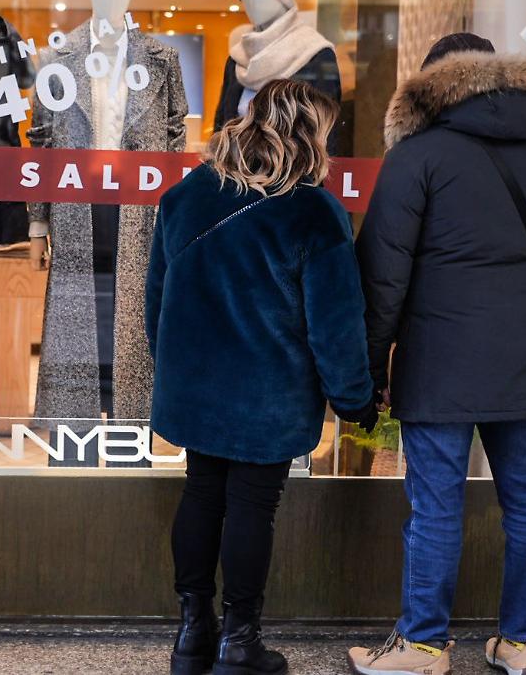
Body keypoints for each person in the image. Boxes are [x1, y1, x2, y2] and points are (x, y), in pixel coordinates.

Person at [347, 34, 526, 675]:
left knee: (436, 503)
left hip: (440, 359)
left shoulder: (418, 156)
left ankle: (423, 647)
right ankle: (522, 643)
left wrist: (368, 366)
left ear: (436, 85)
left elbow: (382, 276)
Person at [147, 79, 377, 675]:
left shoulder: (186, 195)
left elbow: (157, 302)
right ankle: (239, 643)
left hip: (195, 384)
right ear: (309, 132)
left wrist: (172, 366)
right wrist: (354, 399)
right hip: (267, 393)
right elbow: (335, 321)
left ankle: (193, 635)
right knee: (253, 504)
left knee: (201, 493)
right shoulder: (314, 210)